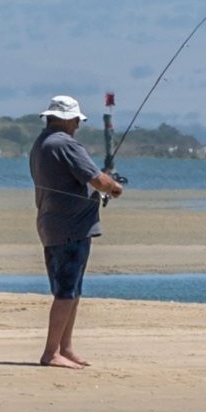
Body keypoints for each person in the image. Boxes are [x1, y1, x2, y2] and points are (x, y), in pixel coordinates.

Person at [29, 94, 125, 369]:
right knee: (66, 293)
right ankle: (51, 352)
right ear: (67, 120)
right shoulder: (65, 144)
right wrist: (114, 187)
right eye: (76, 121)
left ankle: (65, 347)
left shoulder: (41, 144)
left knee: (72, 291)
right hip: (68, 226)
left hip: (55, 223)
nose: (78, 126)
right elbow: (96, 178)